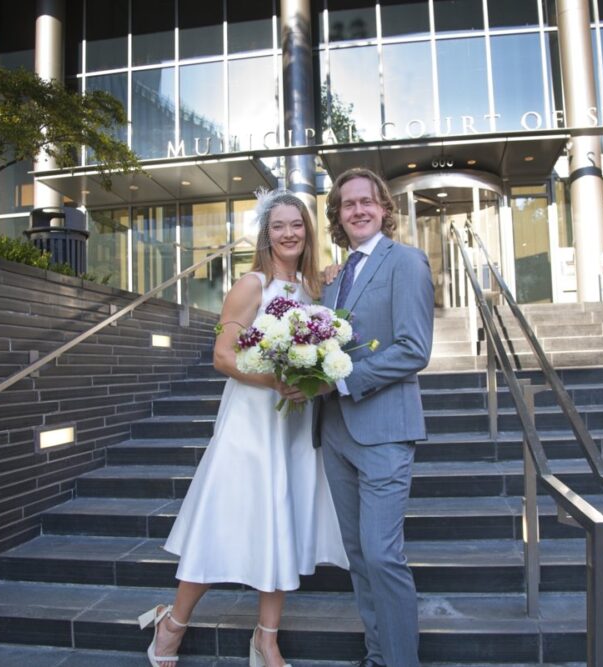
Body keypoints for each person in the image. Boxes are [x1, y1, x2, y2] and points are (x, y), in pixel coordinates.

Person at [139, 190, 348, 667]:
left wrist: (309, 382)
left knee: (283, 522)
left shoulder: (315, 288)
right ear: (266, 233)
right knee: (221, 520)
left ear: (307, 231)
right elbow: (223, 356)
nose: (289, 233)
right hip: (250, 424)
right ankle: (172, 624)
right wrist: (274, 380)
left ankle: (265, 638)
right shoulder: (250, 284)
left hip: (293, 428)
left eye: (297, 224)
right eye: (279, 226)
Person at [316, 167, 434, 667]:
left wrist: (343, 380)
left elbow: (414, 348)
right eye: (348, 204)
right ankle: (378, 655)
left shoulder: (406, 262)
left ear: (384, 208)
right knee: (360, 557)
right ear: (338, 216)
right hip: (336, 433)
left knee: (384, 557)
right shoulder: (335, 278)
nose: (359, 210)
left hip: (384, 429)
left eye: (367, 201)